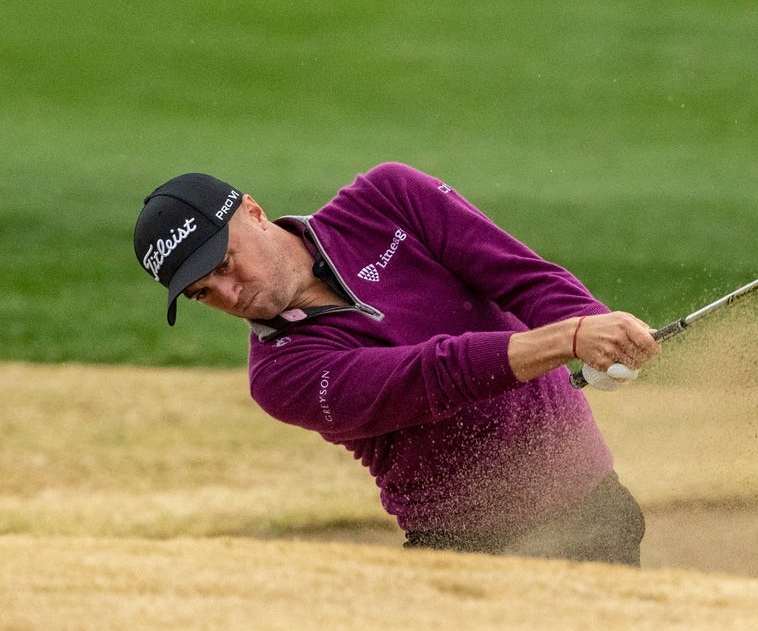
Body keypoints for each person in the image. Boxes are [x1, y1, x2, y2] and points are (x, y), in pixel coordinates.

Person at [133, 163, 660, 565]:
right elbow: (429, 377)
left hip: (593, 507)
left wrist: (598, 331)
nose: (230, 293)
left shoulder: (388, 199)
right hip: (465, 552)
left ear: (252, 212)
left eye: (225, 263)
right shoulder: (279, 375)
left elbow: (521, 276)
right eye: (205, 293)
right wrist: (570, 338)